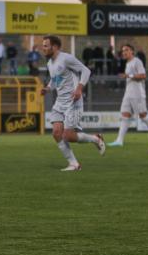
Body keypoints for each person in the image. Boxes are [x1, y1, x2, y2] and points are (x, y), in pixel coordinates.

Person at [40, 35, 105, 171]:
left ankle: (96, 139)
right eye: (43, 45)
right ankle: (74, 164)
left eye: (46, 45)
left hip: (73, 101)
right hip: (60, 102)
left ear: (55, 46)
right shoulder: (49, 63)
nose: (43, 48)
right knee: (56, 133)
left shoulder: (66, 58)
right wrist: (48, 88)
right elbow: (55, 80)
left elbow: (86, 71)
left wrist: (79, 88)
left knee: (68, 136)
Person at [108, 44, 148, 148]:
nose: (124, 52)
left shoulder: (137, 61)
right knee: (125, 115)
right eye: (123, 51)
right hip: (128, 93)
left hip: (138, 94)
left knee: (143, 116)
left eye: (126, 50)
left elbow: (143, 75)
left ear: (132, 51)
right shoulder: (128, 63)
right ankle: (119, 140)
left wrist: (128, 75)